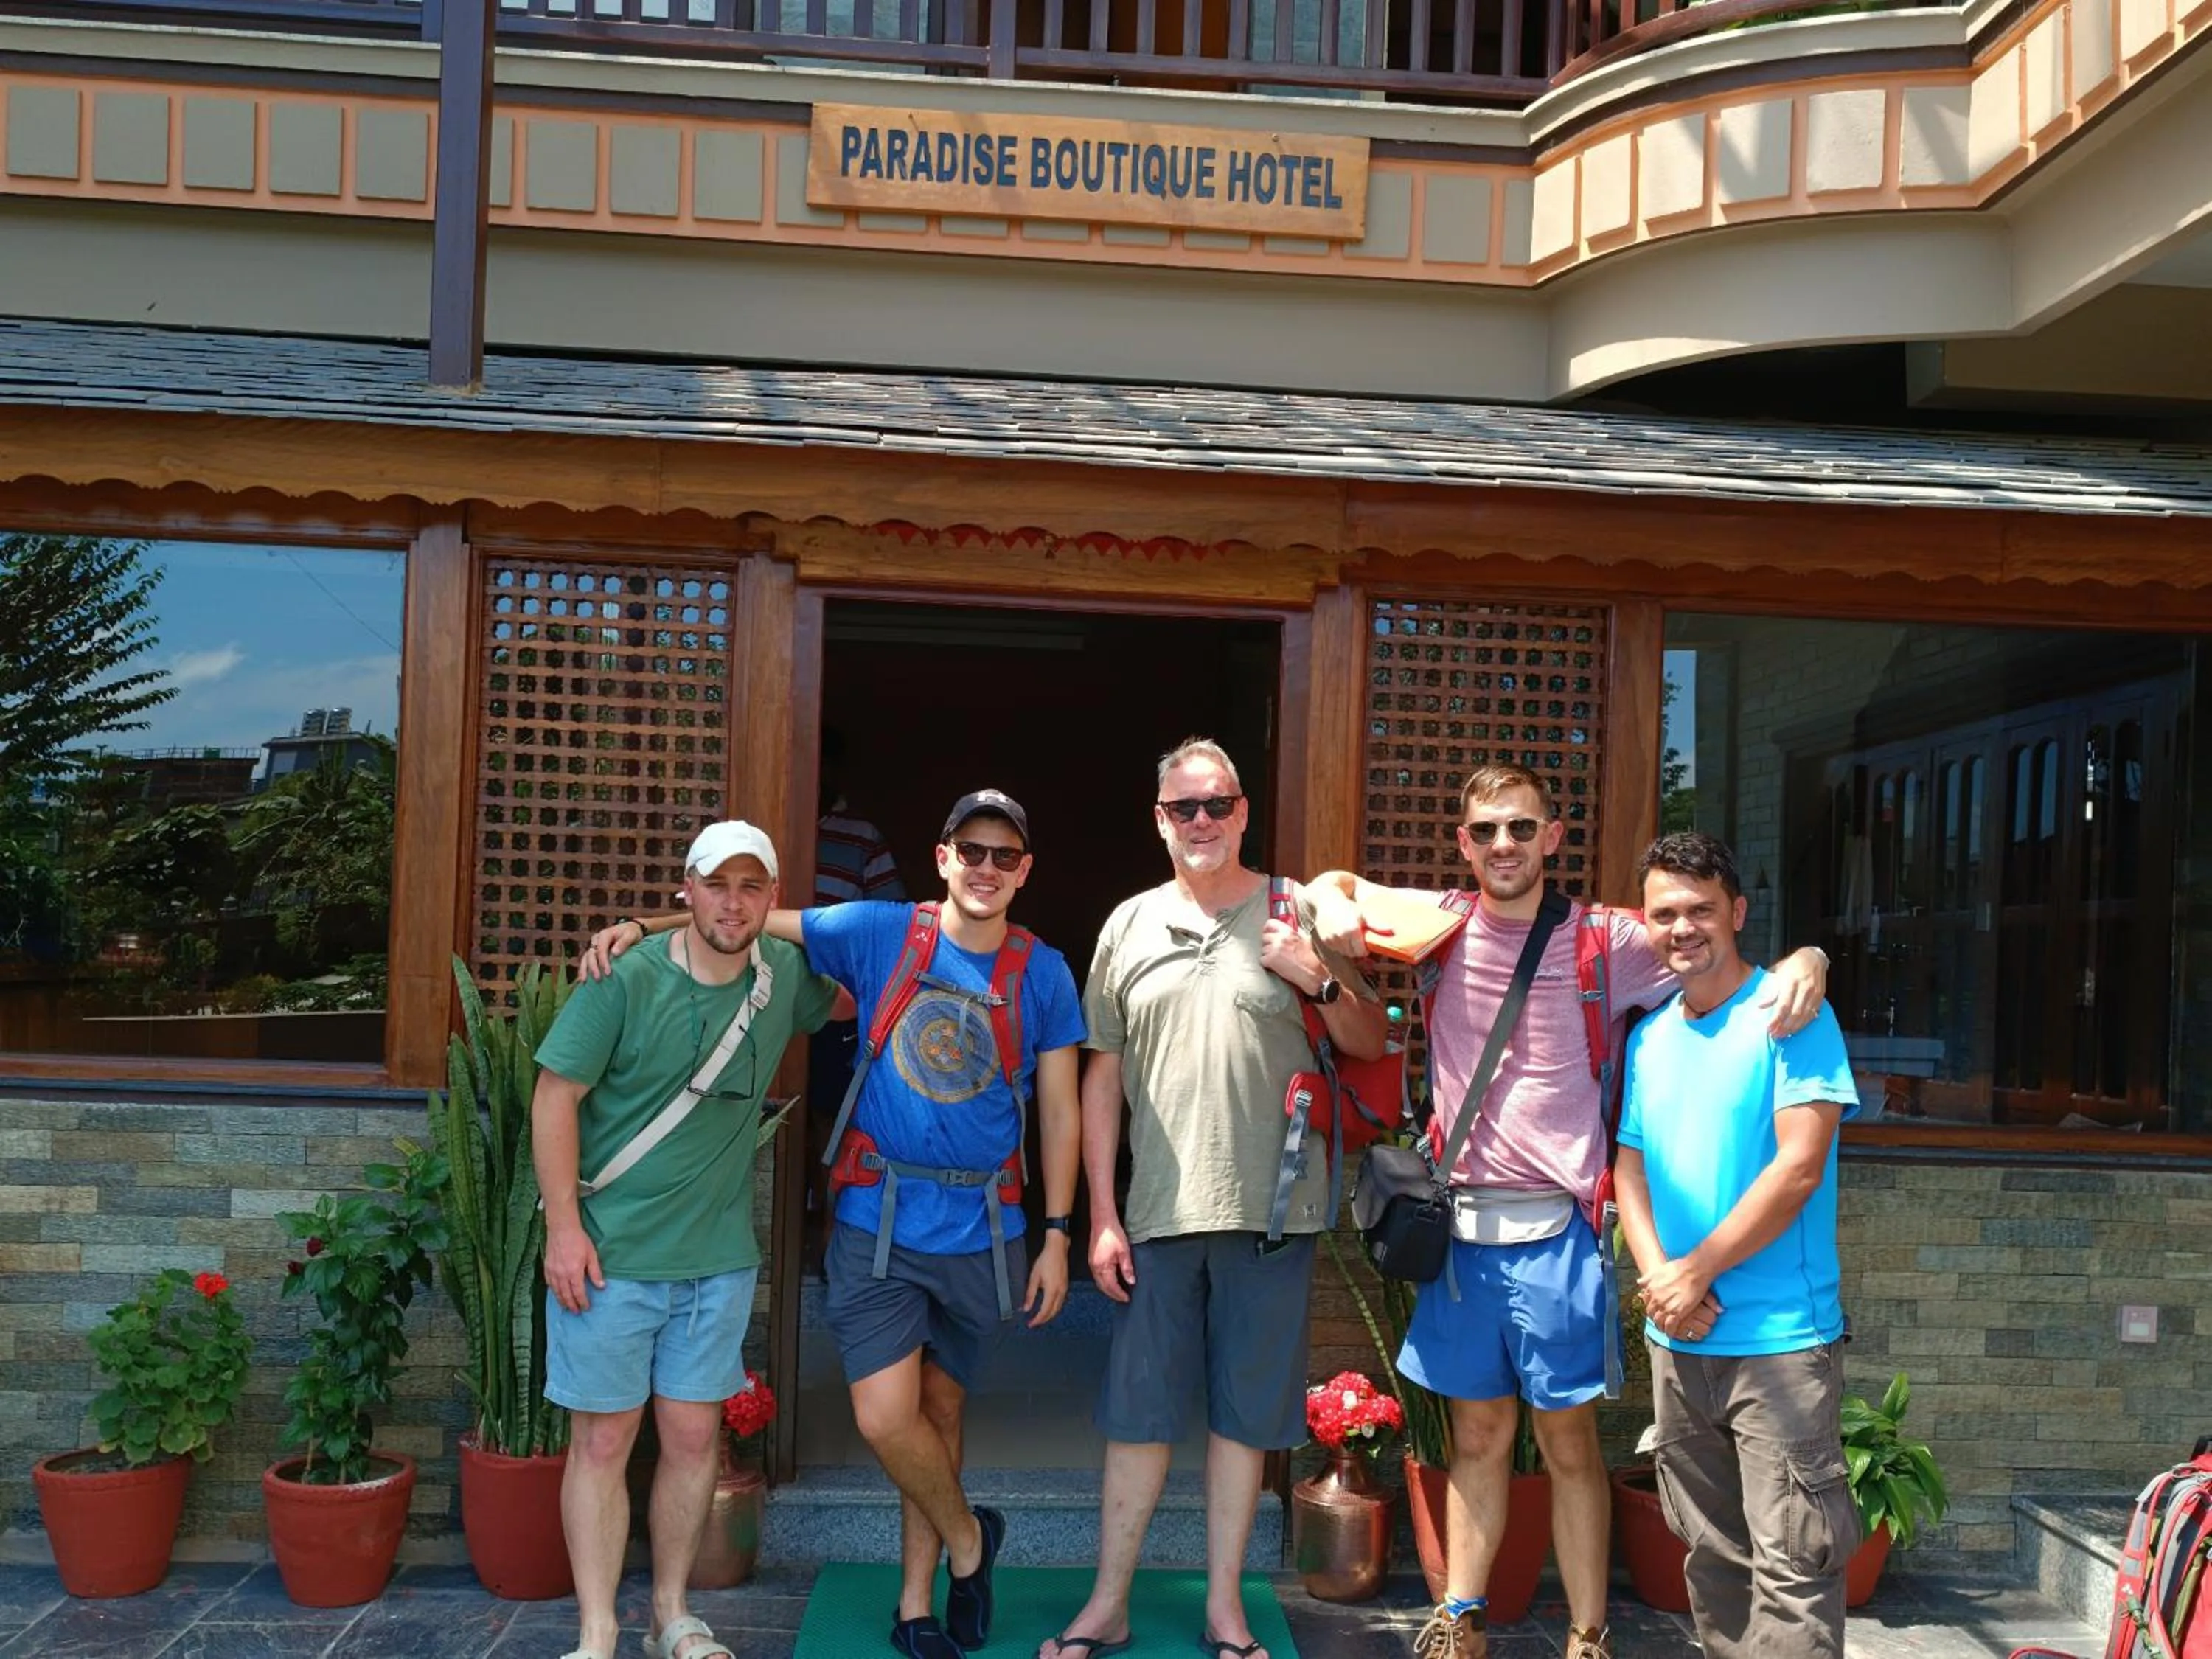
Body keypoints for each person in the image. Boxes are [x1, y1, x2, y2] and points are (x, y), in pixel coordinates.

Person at [1307, 765, 1829, 1659]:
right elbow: (1336, 887)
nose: (1501, 845)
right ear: (1464, 843)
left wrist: (1809, 960)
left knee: (1570, 1444)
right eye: (1483, 832)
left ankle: (1588, 1635)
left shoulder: (1607, 939)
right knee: (1475, 1435)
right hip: (1460, 1232)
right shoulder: (1441, 921)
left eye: (1520, 828)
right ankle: (1461, 1616)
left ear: (1553, 837)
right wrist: (1327, 899)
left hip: (1558, 1232)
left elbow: (1709, 944)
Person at [586, 790, 1083, 1659]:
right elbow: (747, 918)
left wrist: (1058, 1231)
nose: (987, 868)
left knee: (941, 1409)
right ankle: (973, 1543)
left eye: (1006, 856)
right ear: (942, 857)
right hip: (878, 1217)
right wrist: (638, 920)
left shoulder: (1043, 971)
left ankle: (915, 1606)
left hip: (984, 1224)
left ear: (1025, 871)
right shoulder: (880, 928)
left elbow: (1064, 1109)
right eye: (972, 850)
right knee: (889, 1418)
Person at [1040, 738, 1388, 1659]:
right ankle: (1108, 1603)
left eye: (1217, 804)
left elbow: (1368, 1038)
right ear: (1159, 819)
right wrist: (1099, 1216)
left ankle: (1225, 1609)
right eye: (1183, 807)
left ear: (1243, 812)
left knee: (1243, 1417)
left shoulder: (1297, 907)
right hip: (1156, 1210)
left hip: (1274, 1211)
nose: (1202, 821)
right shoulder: (1128, 924)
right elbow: (1100, 1079)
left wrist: (1311, 972)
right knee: (1139, 1413)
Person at [535, 820, 843, 1659]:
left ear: (773, 900)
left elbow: (858, 979)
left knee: (695, 1438)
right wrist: (563, 1229)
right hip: (609, 1257)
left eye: (752, 887)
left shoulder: (784, 976)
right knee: (601, 1441)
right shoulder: (622, 979)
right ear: (688, 888)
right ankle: (597, 1632)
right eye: (716, 884)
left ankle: (672, 1617)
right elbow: (554, 1096)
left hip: (716, 1264)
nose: (732, 903)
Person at [1613, 830, 1860, 1659]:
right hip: (1679, 1340)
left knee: (1794, 1565)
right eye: (1665, 914)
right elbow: (1629, 1171)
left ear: (1737, 912)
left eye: (1701, 911)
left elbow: (1798, 1169)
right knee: (1713, 1558)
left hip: (1779, 1343)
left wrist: (1698, 1272)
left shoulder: (1793, 1015)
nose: (1683, 928)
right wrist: (1661, 1285)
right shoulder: (1649, 1037)